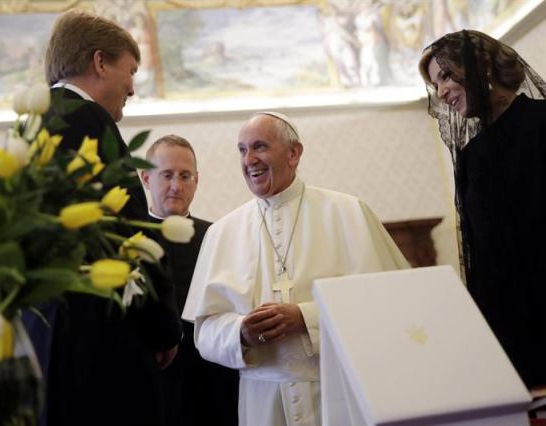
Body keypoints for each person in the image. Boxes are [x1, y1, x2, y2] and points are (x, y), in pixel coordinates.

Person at [182, 112, 409, 425]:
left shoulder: (348, 213)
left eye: (259, 146)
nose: (249, 160)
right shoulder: (222, 232)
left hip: (338, 392)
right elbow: (204, 332)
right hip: (262, 400)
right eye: (242, 150)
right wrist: (242, 333)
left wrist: (307, 318)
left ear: (294, 152)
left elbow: (387, 305)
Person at [23, 11, 181, 426]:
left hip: (43, 334)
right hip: (97, 339)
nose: (131, 87)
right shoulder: (88, 118)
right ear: (99, 62)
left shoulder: (29, 125)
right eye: (129, 71)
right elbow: (129, 233)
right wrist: (164, 328)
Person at [418, 30, 546, 388]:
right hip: (510, 327)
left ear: (480, 64)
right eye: (435, 84)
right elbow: (480, 254)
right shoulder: (471, 156)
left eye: (445, 75)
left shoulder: (541, 122)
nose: (441, 92)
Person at [141, 135, 239, 425]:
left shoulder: (217, 236)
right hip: (153, 376)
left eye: (185, 176)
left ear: (197, 180)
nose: (176, 185)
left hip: (211, 376)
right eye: (166, 175)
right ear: (146, 178)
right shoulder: (127, 238)